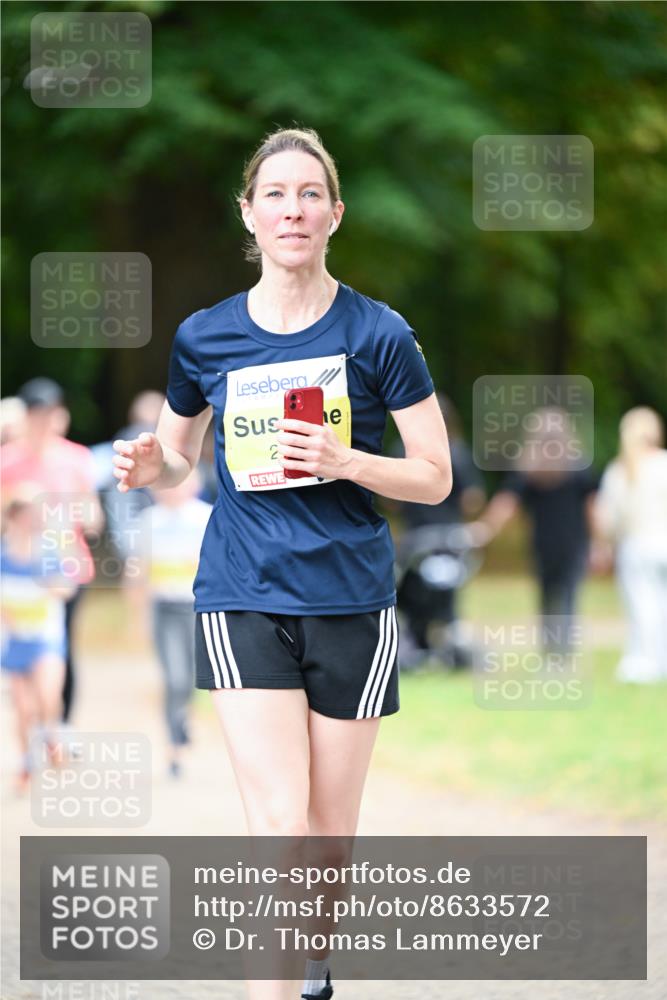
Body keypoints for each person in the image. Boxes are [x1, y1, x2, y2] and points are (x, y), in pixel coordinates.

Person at [112, 127, 451, 1000]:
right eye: (275, 194)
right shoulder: (205, 336)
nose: (292, 210)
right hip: (242, 592)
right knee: (278, 826)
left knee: (328, 833)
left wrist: (348, 461)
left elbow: (433, 476)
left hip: (351, 597)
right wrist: (153, 468)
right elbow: (178, 456)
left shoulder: (378, 333)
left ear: (334, 213)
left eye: (309, 194)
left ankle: (313, 972)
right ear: (249, 214)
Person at [1, 377, 103, 723]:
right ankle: (29, 720)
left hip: (67, 565)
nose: (46, 421)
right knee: (20, 644)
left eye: (52, 413)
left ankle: (60, 725)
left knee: (61, 648)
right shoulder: (7, 460)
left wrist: (72, 517)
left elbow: (93, 516)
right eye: (38, 414)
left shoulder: (76, 458)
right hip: (18, 568)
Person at [473, 407, 597, 623]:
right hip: (572, 543)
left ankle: (552, 641)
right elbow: (592, 506)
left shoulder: (530, 468)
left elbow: (506, 503)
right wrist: (598, 541)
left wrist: (486, 528)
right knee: (568, 595)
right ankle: (563, 641)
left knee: (548, 597)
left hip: (544, 543)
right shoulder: (577, 465)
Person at [128, 469, 212, 776]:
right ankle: (174, 747)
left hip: (197, 609)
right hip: (163, 610)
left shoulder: (206, 518)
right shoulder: (148, 521)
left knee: (193, 677)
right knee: (174, 678)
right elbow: (137, 571)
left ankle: (183, 718)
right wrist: (137, 617)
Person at [1, 494, 74, 792]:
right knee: (23, 707)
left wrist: (53, 586)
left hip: (47, 638)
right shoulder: (3, 555)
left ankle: (51, 736)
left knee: (47, 695)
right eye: (21, 515)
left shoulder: (49, 552)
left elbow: (68, 588)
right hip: (15, 641)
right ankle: (26, 764)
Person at [593, 407, 667, 682]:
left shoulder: (619, 470)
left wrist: (604, 546)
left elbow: (607, 518)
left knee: (642, 607)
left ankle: (643, 663)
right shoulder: (663, 464)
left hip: (636, 547)